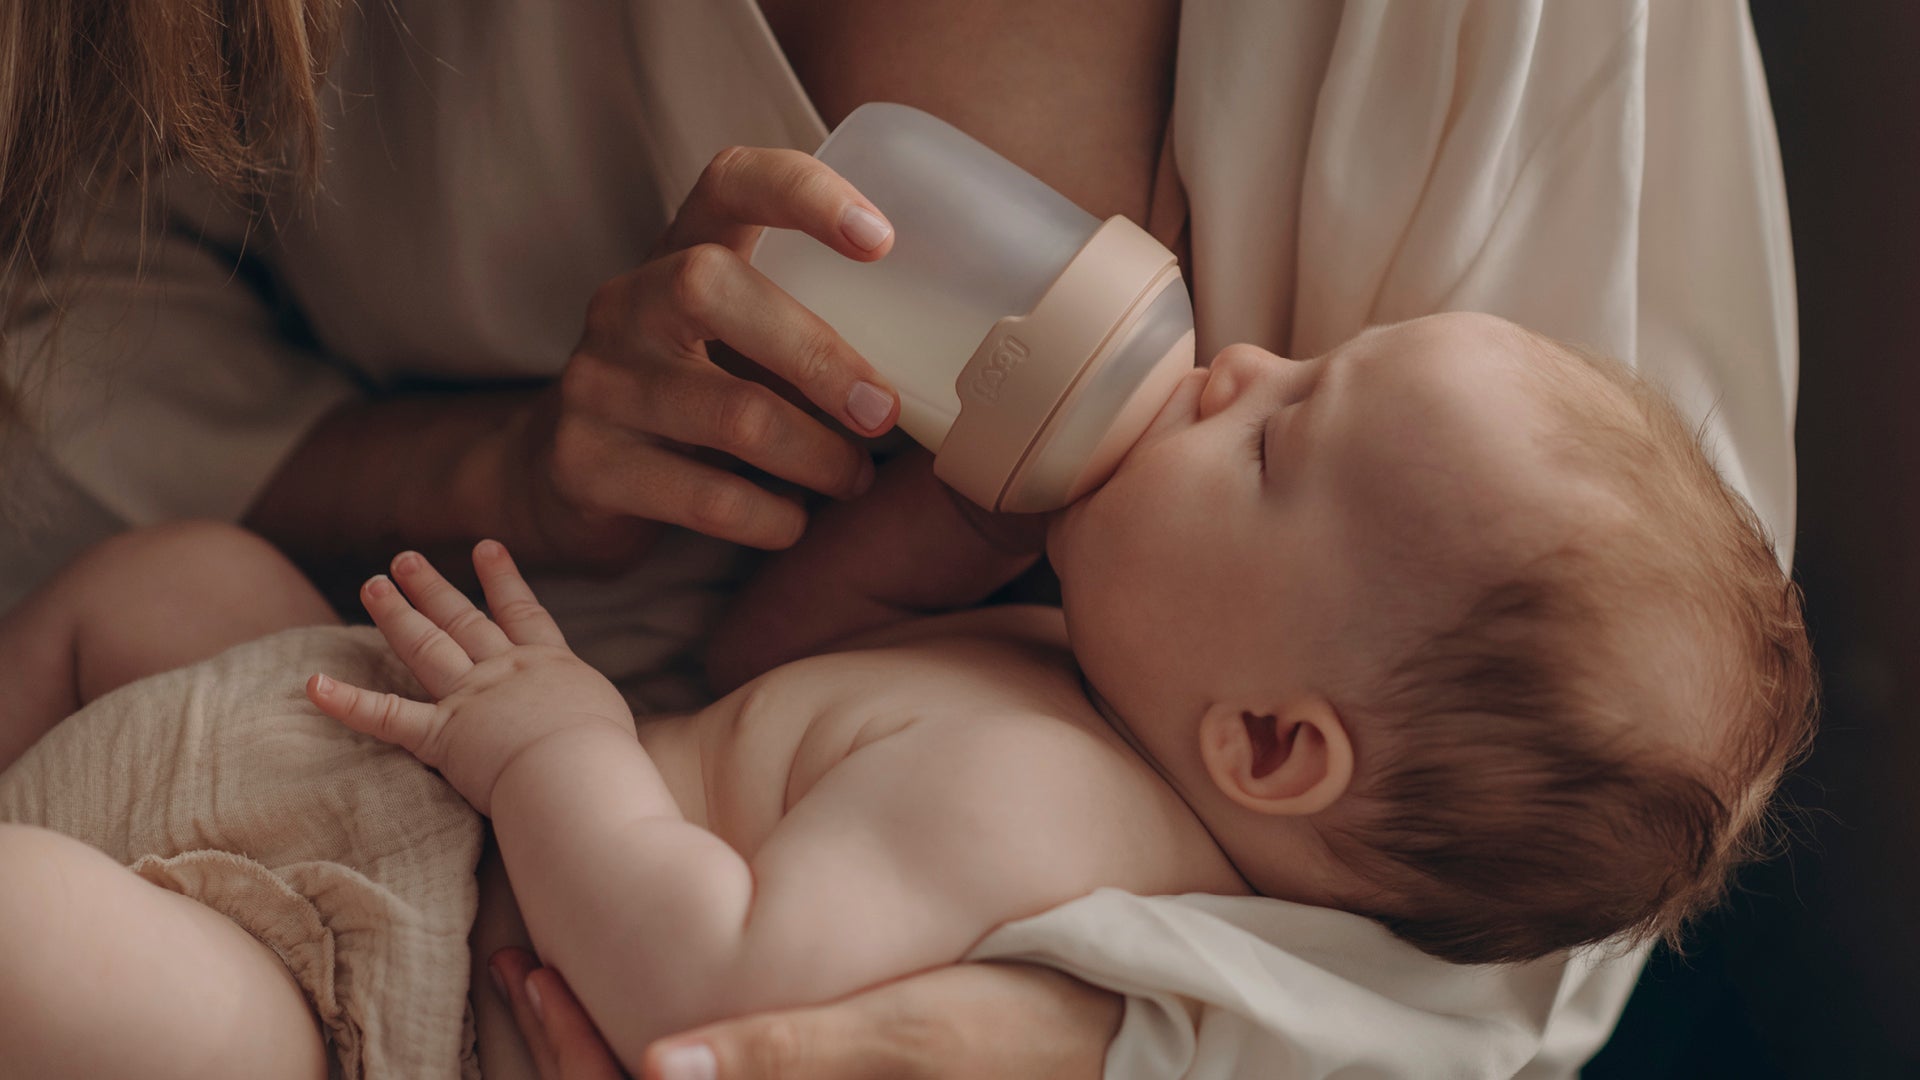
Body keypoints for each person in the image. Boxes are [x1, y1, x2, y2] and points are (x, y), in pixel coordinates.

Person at [0, 1, 1802, 1077]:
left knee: (128, 1003)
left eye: (1272, 435)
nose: (1243, 360)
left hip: (381, 974)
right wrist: (863, 566)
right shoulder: (1071, 667)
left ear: (1269, 743)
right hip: (403, 773)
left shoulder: (1047, 811)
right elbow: (767, 706)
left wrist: (560, 755)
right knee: (167, 592)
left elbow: (709, 971)